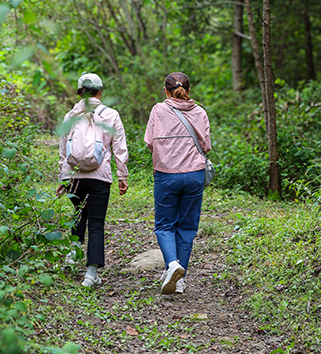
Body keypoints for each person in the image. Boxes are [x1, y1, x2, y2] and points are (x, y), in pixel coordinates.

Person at [57, 72, 128, 287]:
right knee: (96, 223)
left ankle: (72, 255)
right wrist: (122, 176)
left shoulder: (70, 115)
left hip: (74, 177)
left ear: (80, 93)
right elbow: (120, 147)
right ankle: (90, 274)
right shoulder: (111, 115)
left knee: (79, 213)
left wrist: (63, 178)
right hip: (99, 177)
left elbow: (63, 149)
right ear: (99, 92)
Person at [144, 72, 211, 295]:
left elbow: (149, 142)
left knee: (164, 225)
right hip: (194, 175)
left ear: (166, 91)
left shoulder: (158, 110)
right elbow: (207, 146)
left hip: (166, 174)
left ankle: (172, 265)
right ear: (188, 91)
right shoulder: (200, 112)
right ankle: (180, 281)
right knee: (187, 227)